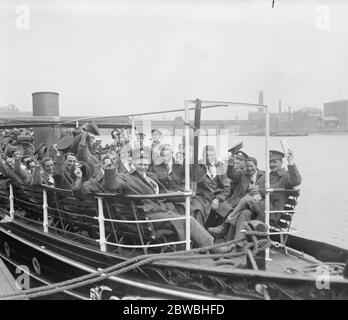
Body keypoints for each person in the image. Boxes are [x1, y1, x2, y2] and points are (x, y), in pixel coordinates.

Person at [103, 146, 233, 252]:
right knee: (188, 221)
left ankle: (193, 247)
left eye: (145, 162)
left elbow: (164, 193)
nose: (143, 165)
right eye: (139, 162)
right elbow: (111, 186)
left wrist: (182, 194)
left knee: (189, 211)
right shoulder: (126, 178)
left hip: (159, 210)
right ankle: (211, 247)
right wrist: (110, 168)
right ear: (133, 162)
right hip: (148, 216)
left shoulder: (151, 177)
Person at [208, 149, 302, 244]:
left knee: (246, 199)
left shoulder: (285, 176)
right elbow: (254, 190)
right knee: (245, 212)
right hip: (261, 208)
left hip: (271, 211)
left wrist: (291, 162)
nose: (272, 164)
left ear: (281, 162)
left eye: (275, 162)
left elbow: (296, 181)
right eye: (270, 162)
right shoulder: (267, 176)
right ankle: (237, 245)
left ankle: (225, 225)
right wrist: (257, 194)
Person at [190, 145, 231, 226]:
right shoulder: (197, 166)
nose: (208, 157)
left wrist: (218, 199)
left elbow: (227, 188)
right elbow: (193, 182)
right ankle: (200, 237)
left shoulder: (220, 166)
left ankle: (224, 236)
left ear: (215, 155)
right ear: (202, 156)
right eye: (206, 155)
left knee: (229, 212)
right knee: (197, 212)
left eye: (211, 155)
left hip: (216, 197)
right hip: (201, 198)